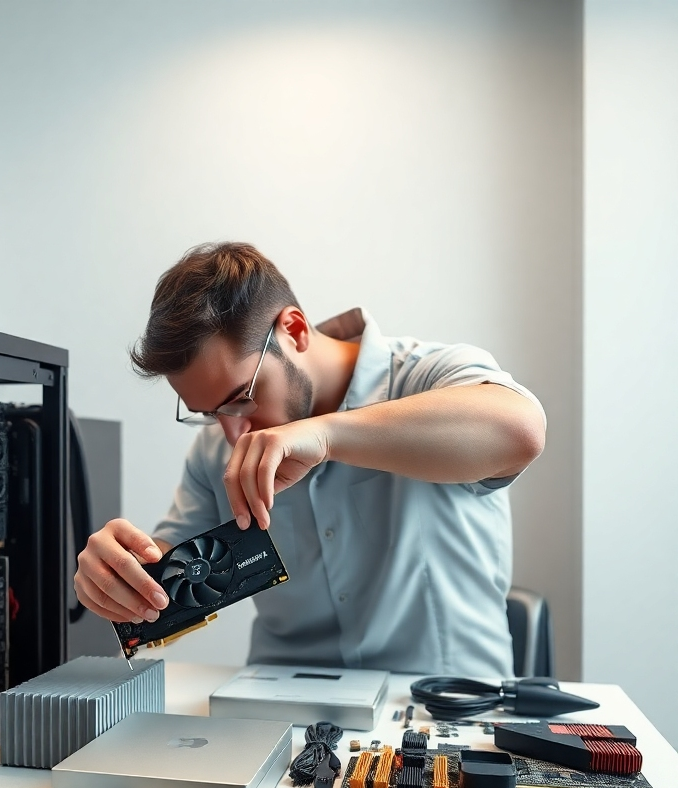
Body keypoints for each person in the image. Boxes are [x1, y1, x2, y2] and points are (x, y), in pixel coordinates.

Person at [73, 243, 546, 677]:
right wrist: (122, 576)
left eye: (242, 398)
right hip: (283, 713)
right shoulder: (216, 452)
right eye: (210, 413)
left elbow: (520, 430)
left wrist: (325, 435)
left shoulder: (431, 379)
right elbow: (173, 575)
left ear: (294, 331)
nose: (233, 433)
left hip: (444, 709)